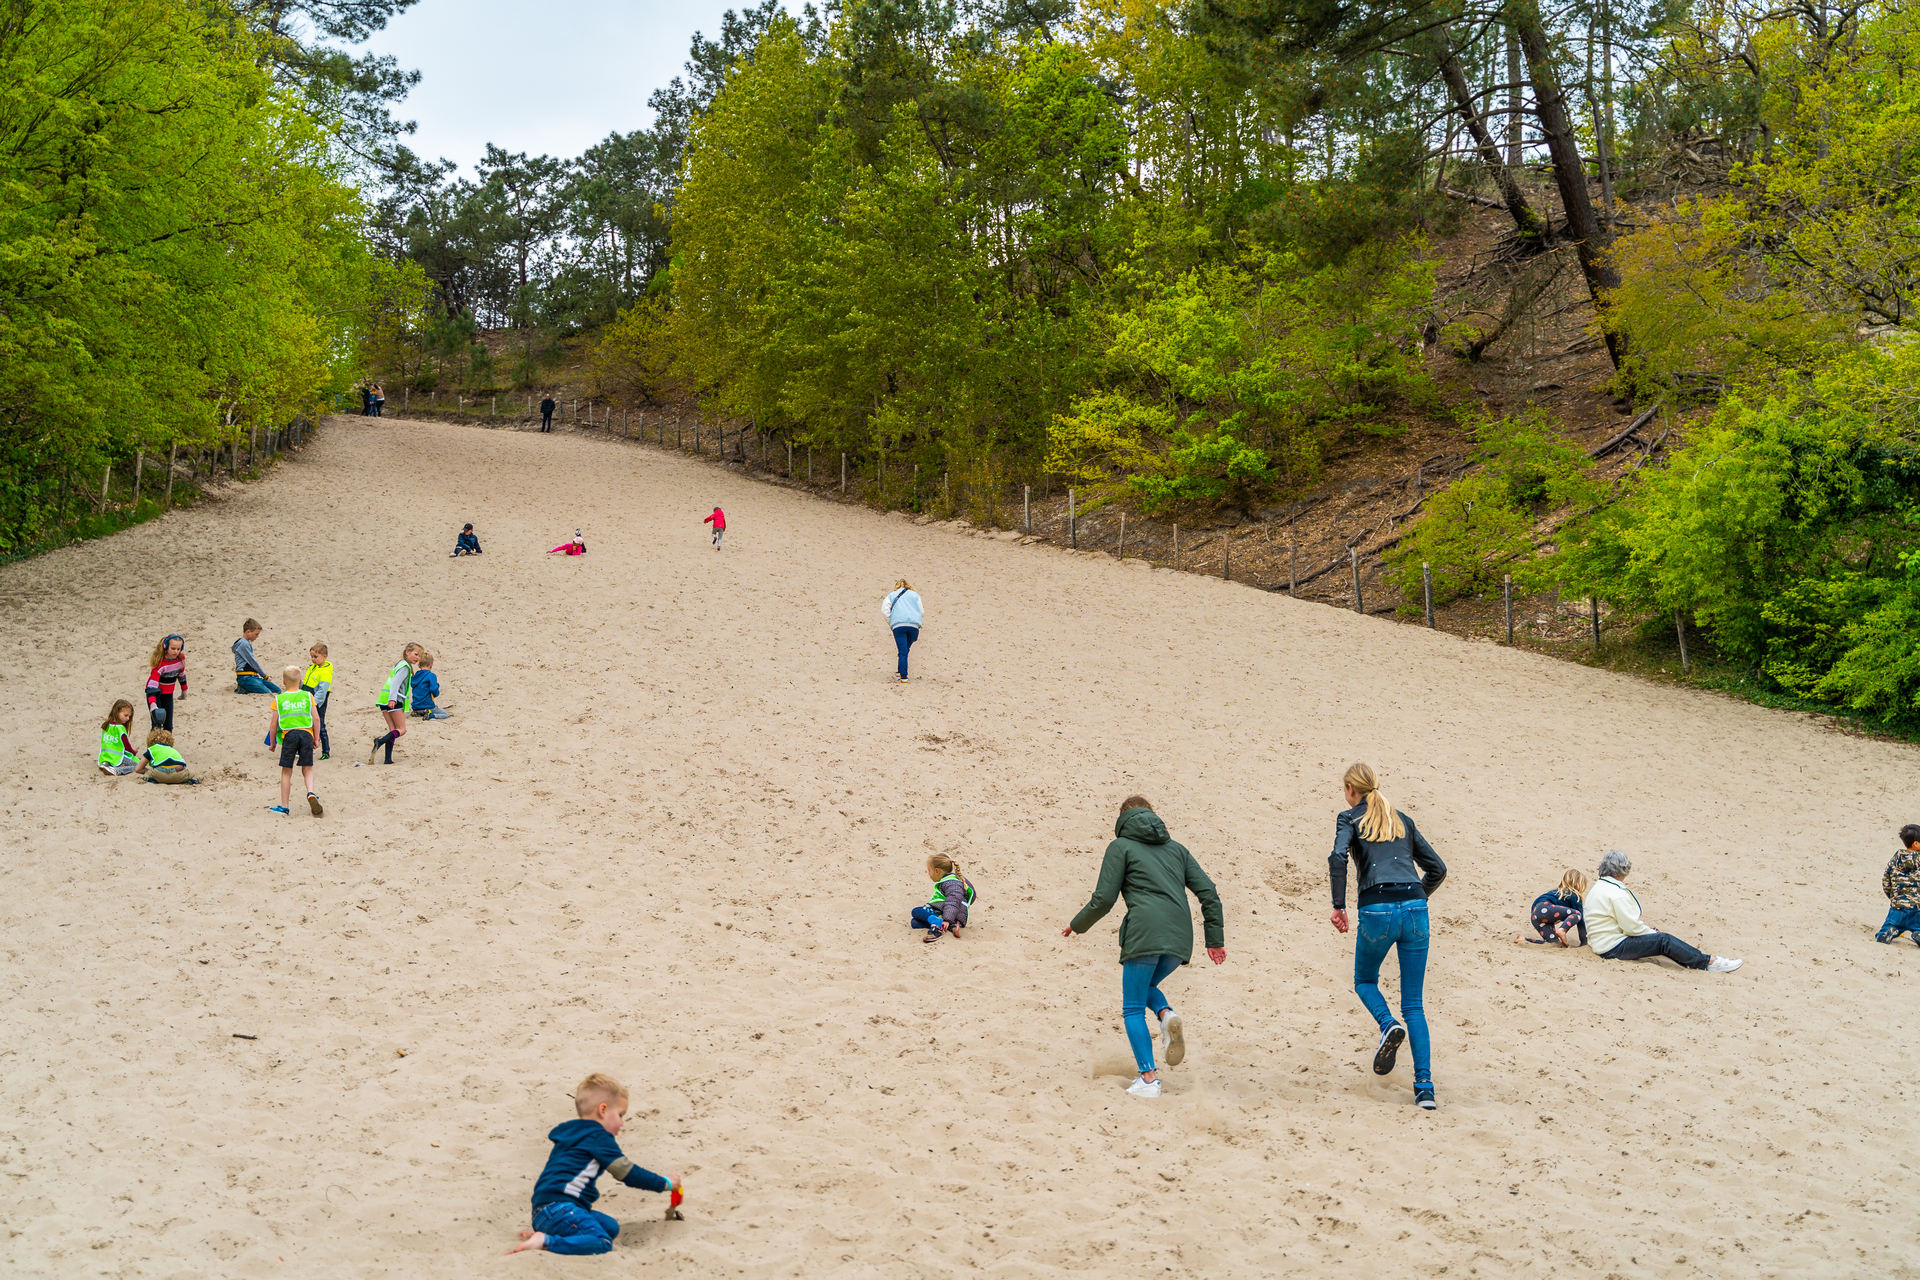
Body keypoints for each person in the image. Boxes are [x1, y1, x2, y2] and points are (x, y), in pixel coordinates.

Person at [1062, 796, 1225, 1099]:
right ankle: (1165, 1015)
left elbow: (1104, 899)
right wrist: (1214, 940)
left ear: (1123, 819)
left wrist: (1078, 924)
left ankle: (1148, 1078)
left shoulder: (1120, 847)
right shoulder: (1177, 849)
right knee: (1145, 988)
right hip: (1180, 938)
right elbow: (1209, 892)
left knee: (1133, 1007)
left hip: (1144, 932)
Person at [1328, 762, 1447, 1110]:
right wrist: (1416, 898)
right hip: (1415, 910)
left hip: (1376, 909)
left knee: (1365, 980)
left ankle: (1387, 1024)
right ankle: (1425, 1089)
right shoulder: (1402, 820)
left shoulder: (1349, 818)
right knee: (1415, 1004)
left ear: (1352, 789)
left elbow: (1338, 856)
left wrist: (1339, 905)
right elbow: (1438, 868)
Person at [509, 1072, 680, 1256]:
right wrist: (665, 1183)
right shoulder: (598, 1137)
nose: (622, 1123)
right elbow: (627, 1172)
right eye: (620, 1115)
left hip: (542, 1212)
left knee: (610, 1227)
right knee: (602, 1241)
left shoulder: (572, 1133)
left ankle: (545, 1232)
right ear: (603, 1110)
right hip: (562, 1209)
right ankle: (546, 1241)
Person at [1586, 850, 1743, 973]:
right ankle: (1708, 962)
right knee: (1664, 940)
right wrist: (1652, 934)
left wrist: (1648, 932)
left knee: (1657, 937)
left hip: (1600, 942)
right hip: (1611, 947)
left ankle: (1699, 961)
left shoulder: (1598, 887)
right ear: (1623, 869)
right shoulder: (1616, 894)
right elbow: (1630, 927)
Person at [265, 666, 322, 816]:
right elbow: (316, 718)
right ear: (301, 681)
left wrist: (272, 742)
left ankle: (284, 807)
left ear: (283, 682)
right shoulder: (308, 696)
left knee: (286, 771)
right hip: (306, 734)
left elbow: (273, 724)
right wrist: (316, 738)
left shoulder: (279, 699)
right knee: (307, 768)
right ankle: (310, 793)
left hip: (289, 736)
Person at [369, 643, 422, 764]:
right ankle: (380, 741)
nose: (417, 658)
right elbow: (395, 683)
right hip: (393, 700)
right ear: (407, 652)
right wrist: (392, 699)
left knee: (392, 730)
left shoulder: (399, 664)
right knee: (401, 729)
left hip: (383, 700)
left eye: (419, 656)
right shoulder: (405, 667)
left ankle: (388, 759)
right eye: (415, 654)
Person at [1517, 869, 1589, 947]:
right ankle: (1562, 930)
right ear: (1578, 884)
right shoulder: (1574, 895)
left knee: (1554, 943)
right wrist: (1584, 942)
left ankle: (1524, 940)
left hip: (1535, 914)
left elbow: (1539, 902)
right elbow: (1580, 921)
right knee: (1578, 914)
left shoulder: (1556, 892)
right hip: (1544, 908)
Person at [912, 853, 974, 942]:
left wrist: (947, 919)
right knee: (915, 923)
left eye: (929, 871)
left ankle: (939, 924)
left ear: (937, 871)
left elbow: (953, 901)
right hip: (951, 914)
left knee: (916, 911)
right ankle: (951, 926)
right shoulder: (953, 880)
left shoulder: (952, 883)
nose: (929, 874)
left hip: (950, 915)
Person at [1877, 824, 1920, 945]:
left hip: (1897, 908)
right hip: (1917, 908)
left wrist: (1894, 897)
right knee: (1918, 926)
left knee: (1890, 924)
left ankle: (1888, 931)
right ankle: (1917, 933)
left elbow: (1886, 882)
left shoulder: (1895, 859)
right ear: (1915, 844)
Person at [144, 633, 188, 730]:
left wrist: (184, 690)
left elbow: (181, 675)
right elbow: (152, 685)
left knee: (168, 725)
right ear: (166, 646)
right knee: (157, 725)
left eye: (178, 649)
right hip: (155, 695)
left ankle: (167, 744)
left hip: (168, 694)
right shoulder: (160, 663)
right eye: (173, 648)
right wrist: (153, 704)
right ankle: (153, 744)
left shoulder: (181, 658)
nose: (176, 651)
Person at [882, 579, 922, 683]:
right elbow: (921, 610)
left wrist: (891, 622)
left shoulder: (891, 595)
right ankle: (900, 672)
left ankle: (903, 676)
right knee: (905, 650)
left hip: (898, 626)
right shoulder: (915, 595)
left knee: (903, 651)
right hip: (913, 626)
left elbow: (885, 610)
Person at [302, 643, 333, 760]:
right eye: (312, 656)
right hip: (307, 697)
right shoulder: (313, 668)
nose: (313, 659)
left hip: (317, 702)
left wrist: (313, 703)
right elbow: (307, 683)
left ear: (324, 656)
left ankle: (326, 751)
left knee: (319, 724)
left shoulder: (325, 672)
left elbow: (322, 691)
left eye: (315, 657)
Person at [233, 620, 280, 695]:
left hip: (254, 677)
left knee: (277, 690)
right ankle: (243, 688)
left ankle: (247, 688)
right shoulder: (243, 645)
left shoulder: (246, 643)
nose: (257, 636)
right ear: (248, 632)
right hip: (245, 678)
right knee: (267, 692)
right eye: (256, 634)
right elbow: (253, 662)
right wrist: (265, 676)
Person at [97, 700, 140, 775]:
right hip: (117, 757)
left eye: (129, 716)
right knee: (138, 766)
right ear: (117, 712)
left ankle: (107, 764)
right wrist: (133, 752)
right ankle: (116, 770)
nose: (128, 719)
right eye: (126, 715)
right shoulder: (120, 728)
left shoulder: (106, 725)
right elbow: (126, 746)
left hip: (105, 756)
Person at [411, 652, 450, 719]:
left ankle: (419, 712)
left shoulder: (416, 676)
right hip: (428, 705)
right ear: (431, 665)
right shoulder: (431, 675)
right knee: (445, 714)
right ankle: (431, 715)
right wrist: (436, 690)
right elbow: (434, 689)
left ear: (419, 665)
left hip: (416, 706)